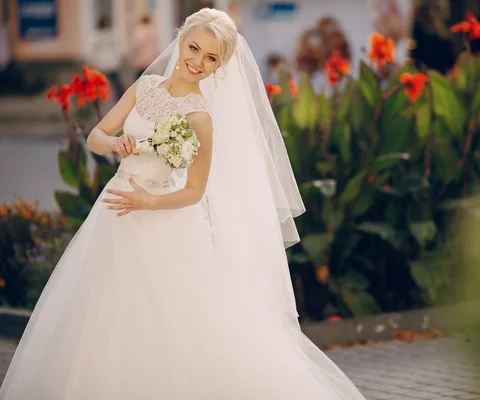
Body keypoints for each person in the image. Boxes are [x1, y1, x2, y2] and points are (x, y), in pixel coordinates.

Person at [0, 8, 367, 399]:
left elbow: (194, 190)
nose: (198, 62)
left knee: (168, 319)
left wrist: (149, 201)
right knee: (103, 312)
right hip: (113, 211)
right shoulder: (145, 87)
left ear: (220, 66)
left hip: (161, 218)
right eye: (194, 48)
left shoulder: (200, 117)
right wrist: (113, 143)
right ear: (179, 40)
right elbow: (96, 134)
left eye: (212, 58)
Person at [88, 15, 125, 99]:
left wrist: (92, 62)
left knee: (106, 83)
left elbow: (92, 51)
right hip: (109, 63)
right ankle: (118, 99)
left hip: (104, 64)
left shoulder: (96, 36)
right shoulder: (110, 34)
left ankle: (99, 98)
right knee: (114, 83)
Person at [130, 13, 158, 79]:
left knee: (139, 77)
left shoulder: (140, 30)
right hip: (151, 58)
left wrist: (132, 56)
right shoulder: (153, 30)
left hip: (141, 58)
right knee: (150, 76)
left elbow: (136, 44)